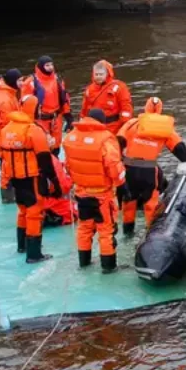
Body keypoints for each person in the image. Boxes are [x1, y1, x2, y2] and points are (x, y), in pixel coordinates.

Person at [0, 95, 62, 264]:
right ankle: (34, 254)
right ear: (33, 109)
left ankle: (22, 246)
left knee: (22, 210)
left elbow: (0, 155)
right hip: (32, 177)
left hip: (14, 178)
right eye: (38, 108)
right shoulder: (33, 130)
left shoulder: (6, 129)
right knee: (34, 213)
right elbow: (45, 159)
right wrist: (54, 180)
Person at [63, 107, 127, 273]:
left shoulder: (71, 138)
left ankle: (84, 263)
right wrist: (122, 186)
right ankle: (108, 267)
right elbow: (114, 166)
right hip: (101, 195)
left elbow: (68, 166)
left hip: (81, 192)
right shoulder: (105, 140)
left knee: (84, 228)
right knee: (106, 231)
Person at [117, 97, 186, 235]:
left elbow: (119, 141)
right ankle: (151, 236)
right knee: (151, 204)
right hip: (149, 171)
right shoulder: (165, 129)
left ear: (145, 108)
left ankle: (127, 234)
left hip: (129, 170)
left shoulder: (132, 123)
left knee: (128, 204)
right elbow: (179, 148)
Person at [20, 56, 71, 154]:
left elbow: (65, 99)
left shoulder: (57, 79)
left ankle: (55, 165)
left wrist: (68, 116)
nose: (50, 67)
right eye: (47, 65)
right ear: (41, 67)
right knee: (42, 147)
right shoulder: (31, 82)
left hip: (56, 119)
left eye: (51, 64)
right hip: (40, 120)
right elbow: (25, 103)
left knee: (56, 147)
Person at [0, 68, 23, 203]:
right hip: (6, 143)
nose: (22, 83)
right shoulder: (5, 100)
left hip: (4, 140)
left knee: (8, 171)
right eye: (20, 80)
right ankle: (8, 198)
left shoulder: (7, 93)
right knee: (8, 173)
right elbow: (6, 125)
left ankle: (10, 197)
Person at [80, 60, 133, 136]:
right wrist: (82, 120)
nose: (98, 77)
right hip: (95, 127)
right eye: (96, 74)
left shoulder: (119, 87)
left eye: (101, 74)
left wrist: (124, 126)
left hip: (114, 128)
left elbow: (126, 107)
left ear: (107, 74)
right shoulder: (89, 89)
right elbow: (85, 108)